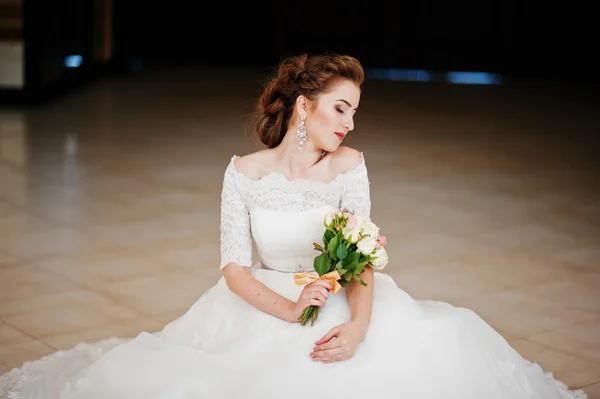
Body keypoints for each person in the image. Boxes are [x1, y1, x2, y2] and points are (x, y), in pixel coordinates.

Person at [0, 53, 587, 399]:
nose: (351, 124)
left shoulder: (350, 168)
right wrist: (290, 311)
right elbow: (233, 267)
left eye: (355, 112)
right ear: (304, 106)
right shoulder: (243, 173)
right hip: (267, 300)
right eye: (340, 107)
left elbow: (359, 257)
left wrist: (356, 325)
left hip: (340, 300)